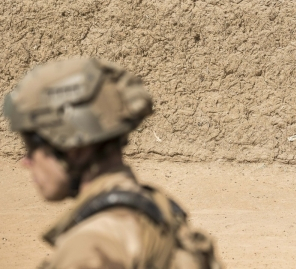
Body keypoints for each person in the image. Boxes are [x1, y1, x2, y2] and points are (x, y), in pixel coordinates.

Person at [4, 58, 221, 269]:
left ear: (74, 149)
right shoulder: (161, 214)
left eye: (32, 146)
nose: (26, 161)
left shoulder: (91, 248)